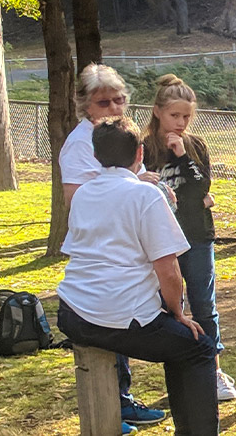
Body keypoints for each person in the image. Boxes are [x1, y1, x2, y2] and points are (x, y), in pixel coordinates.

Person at [56, 117, 219, 436]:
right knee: (199, 348)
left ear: (96, 155)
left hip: (72, 313)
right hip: (120, 319)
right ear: (140, 154)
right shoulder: (146, 195)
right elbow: (169, 271)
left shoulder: (83, 194)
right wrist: (177, 313)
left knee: (180, 346)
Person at [56, 64, 167, 431]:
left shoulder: (119, 135)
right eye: (104, 102)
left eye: (119, 100)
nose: (115, 108)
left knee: (119, 317)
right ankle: (114, 404)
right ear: (85, 105)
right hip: (102, 246)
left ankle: (122, 400)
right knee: (110, 319)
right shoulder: (80, 143)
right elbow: (74, 196)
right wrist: (131, 184)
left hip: (123, 243)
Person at [140, 74, 236, 401]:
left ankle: (214, 371)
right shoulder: (143, 148)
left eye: (186, 116)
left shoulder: (195, 146)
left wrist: (182, 156)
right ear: (157, 112)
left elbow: (201, 188)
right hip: (160, 240)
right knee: (171, 307)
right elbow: (138, 193)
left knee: (204, 305)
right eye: (174, 115)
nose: (180, 123)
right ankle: (181, 375)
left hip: (196, 236)